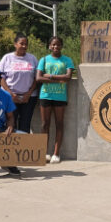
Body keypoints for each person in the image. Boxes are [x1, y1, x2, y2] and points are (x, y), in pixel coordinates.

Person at [36, 36, 74, 164]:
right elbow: (38, 78)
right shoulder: (44, 60)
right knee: (44, 124)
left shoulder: (67, 60)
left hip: (60, 96)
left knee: (59, 124)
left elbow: (68, 77)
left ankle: (56, 153)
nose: (55, 47)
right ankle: (44, 152)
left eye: (58, 45)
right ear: (49, 46)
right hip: (45, 95)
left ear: (61, 46)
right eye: (53, 45)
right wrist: (59, 78)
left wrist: (50, 76)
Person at [0, 33, 39, 133]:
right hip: (10, 97)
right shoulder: (7, 58)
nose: (24, 46)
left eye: (26, 44)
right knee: (10, 124)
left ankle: (23, 147)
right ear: (15, 44)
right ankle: (10, 148)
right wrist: (10, 94)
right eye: (21, 43)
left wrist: (28, 94)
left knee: (25, 124)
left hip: (29, 98)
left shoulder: (32, 58)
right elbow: (1, 78)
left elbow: (36, 78)